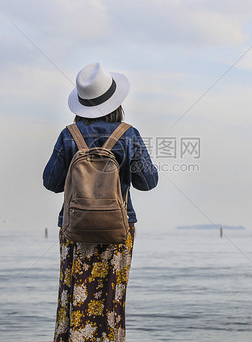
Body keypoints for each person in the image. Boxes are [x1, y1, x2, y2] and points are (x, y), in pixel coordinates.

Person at [43, 62, 158, 342]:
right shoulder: (128, 135)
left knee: (75, 294)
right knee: (111, 297)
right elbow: (148, 182)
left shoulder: (69, 135)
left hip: (75, 228)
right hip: (118, 228)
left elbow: (51, 182)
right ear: (115, 100)